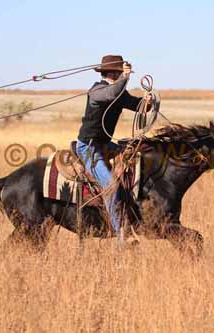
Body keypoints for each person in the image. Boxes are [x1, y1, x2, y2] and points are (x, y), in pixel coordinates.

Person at [75, 55, 152, 240]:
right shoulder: (97, 91)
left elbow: (138, 106)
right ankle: (121, 236)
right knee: (110, 186)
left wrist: (147, 102)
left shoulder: (118, 93)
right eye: (120, 74)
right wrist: (125, 78)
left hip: (105, 145)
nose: (122, 77)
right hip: (89, 147)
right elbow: (111, 94)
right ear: (113, 73)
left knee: (136, 160)